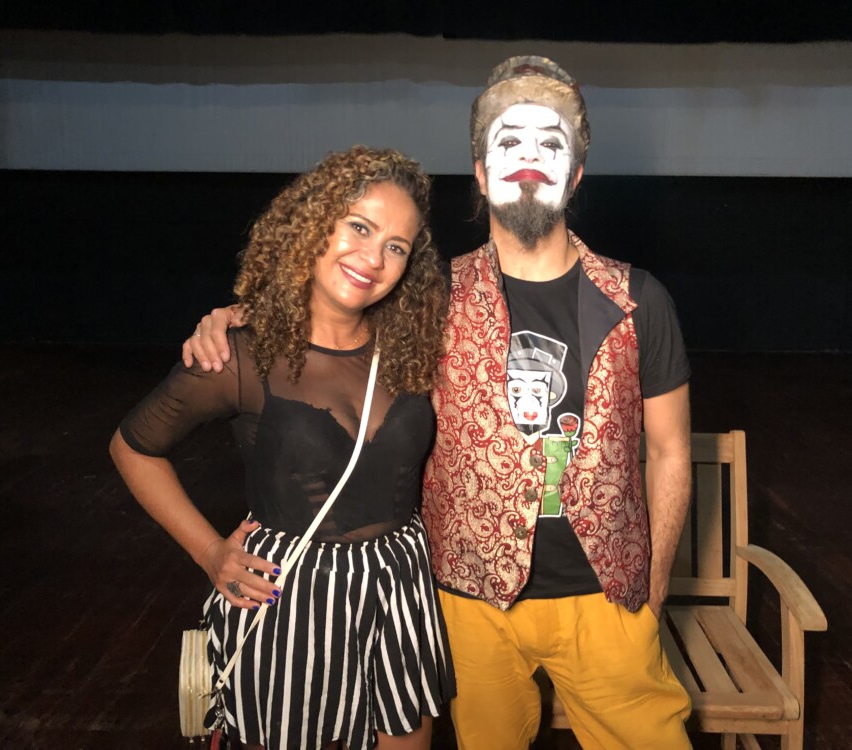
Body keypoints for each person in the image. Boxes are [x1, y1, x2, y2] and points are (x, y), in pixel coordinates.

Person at [186, 57, 692, 749]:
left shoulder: (639, 299)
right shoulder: (429, 299)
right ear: (480, 173)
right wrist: (234, 319)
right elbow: (327, 315)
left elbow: (669, 451)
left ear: (576, 175)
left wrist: (654, 592)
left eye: (552, 144)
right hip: (469, 602)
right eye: (508, 142)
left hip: (607, 601)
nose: (529, 159)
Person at [111, 146, 455, 750]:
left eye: (397, 247)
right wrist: (209, 552)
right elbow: (131, 447)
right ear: (314, 223)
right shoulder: (241, 355)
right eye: (359, 227)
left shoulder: (414, 342)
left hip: (399, 580)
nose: (373, 258)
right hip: (290, 591)